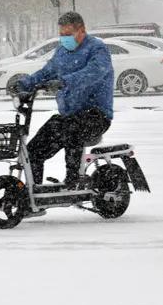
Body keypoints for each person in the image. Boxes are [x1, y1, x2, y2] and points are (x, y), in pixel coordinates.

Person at [16, 12, 114, 187]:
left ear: (81, 31)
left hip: (96, 116)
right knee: (35, 149)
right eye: (61, 35)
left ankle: (73, 179)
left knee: (72, 131)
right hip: (69, 115)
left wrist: (64, 82)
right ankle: (34, 192)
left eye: (68, 35)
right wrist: (25, 83)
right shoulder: (61, 52)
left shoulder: (97, 49)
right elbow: (47, 71)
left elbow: (94, 72)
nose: (64, 39)